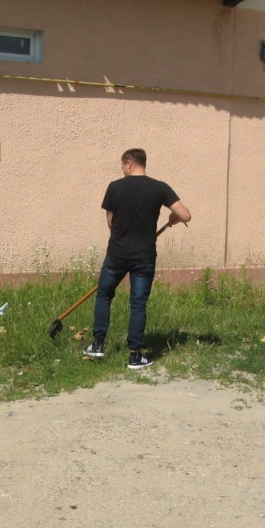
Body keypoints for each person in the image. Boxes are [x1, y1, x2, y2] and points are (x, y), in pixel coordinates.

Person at [83, 148, 191, 369]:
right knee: (138, 304)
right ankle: (135, 355)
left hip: (116, 254)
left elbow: (110, 222)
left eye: (123, 166)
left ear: (129, 163)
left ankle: (98, 345)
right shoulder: (159, 187)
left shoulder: (115, 187)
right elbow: (186, 215)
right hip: (144, 256)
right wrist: (174, 218)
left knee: (104, 295)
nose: (122, 170)